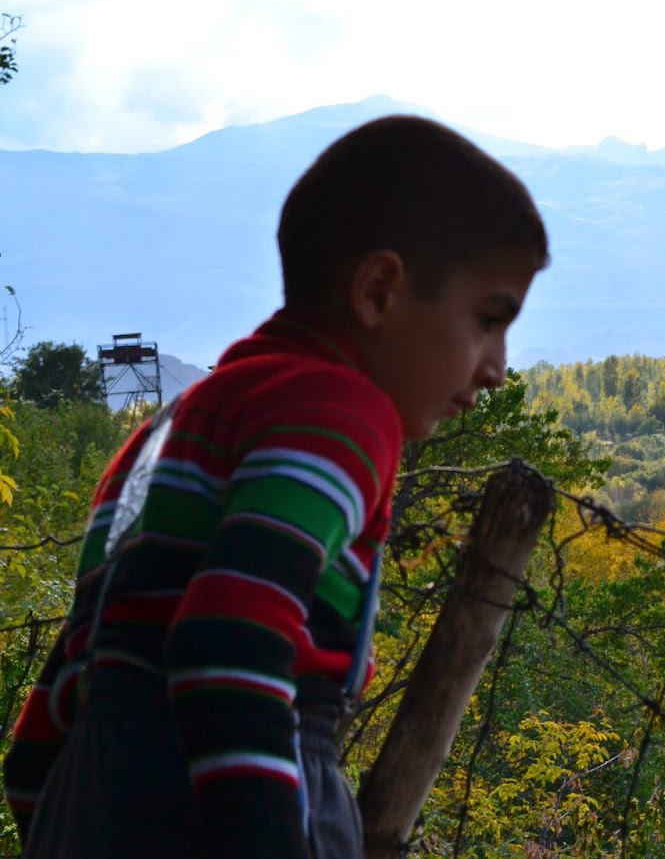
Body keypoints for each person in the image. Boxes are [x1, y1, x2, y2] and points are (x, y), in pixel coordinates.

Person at [2, 115, 549, 858]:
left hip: (86, 802)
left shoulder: (161, 436)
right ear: (378, 291)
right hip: (243, 805)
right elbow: (230, 641)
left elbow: (40, 735)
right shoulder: (341, 414)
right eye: (488, 320)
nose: (497, 367)